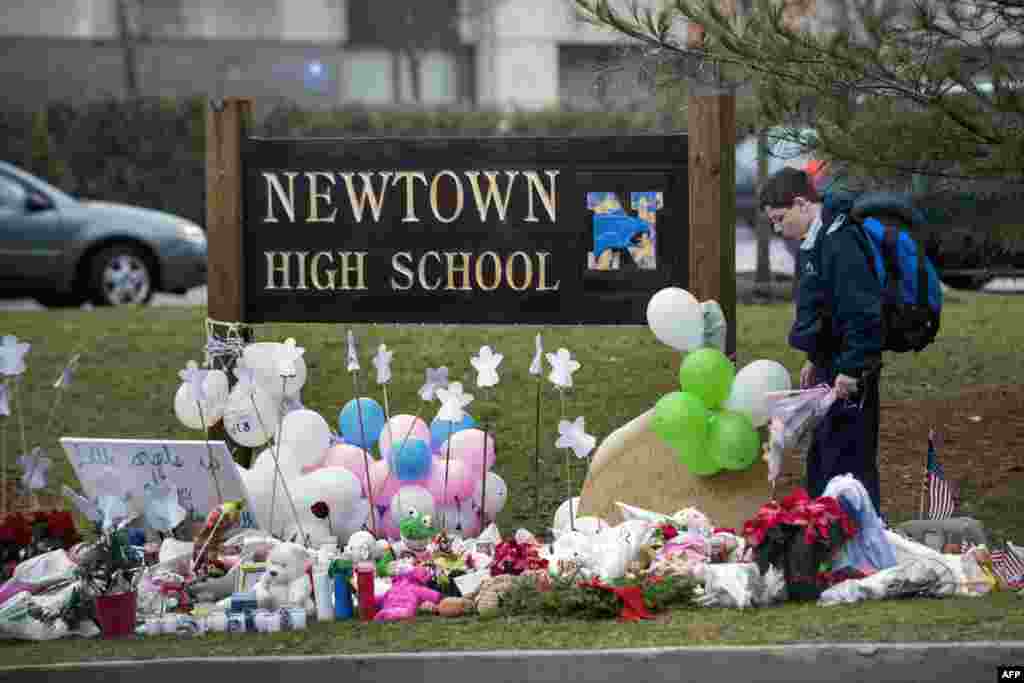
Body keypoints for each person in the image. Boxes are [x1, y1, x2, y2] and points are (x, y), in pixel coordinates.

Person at [759, 167, 885, 515]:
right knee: (823, 458)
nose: (778, 228)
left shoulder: (841, 239)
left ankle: (861, 540)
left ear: (802, 204)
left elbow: (863, 312)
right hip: (830, 366)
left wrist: (852, 369)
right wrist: (814, 357)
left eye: (780, 218)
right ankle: (825, 533)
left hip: (851, 372)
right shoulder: (815, 242)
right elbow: (822, 309)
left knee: (850, 463)